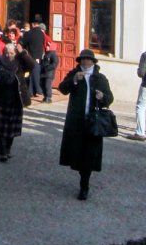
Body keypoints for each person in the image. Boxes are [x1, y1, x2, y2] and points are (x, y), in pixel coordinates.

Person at [58, 49, 113, 200]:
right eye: (82, 59)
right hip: (77, 121)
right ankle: (83, 177)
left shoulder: (100, 78)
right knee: (77, 153)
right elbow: (62, 88)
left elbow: (109, 98)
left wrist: (102, 97)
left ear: (93, 62)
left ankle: (84, 185)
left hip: (93, 122)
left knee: (89, 156)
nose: (85, 62)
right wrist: (74, 80)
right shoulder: (75, 73)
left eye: (88, 59)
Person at [0, 42, 34, 162]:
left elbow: (32, 65)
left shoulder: (20, 63)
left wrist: (23, 53)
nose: (9, 55)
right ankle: (2, 151)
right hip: (1, 99)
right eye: (7, 53)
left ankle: (8, 148)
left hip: (16, 99)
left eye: (12, 53)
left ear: (15, 53)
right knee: (1, 128)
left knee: (12, 128)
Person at [21, 19, 47, 102]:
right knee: (34, 73)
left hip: (30, 56)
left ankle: (37, 90)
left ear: (32, 24)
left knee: (31, 74)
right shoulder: (42, 34)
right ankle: (32, 91)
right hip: (38, 57)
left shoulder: (29, 33)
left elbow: (22, 43)